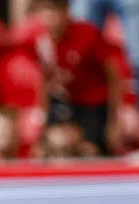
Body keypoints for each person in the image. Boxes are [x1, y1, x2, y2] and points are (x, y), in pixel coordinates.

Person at [22, 0, 122, 154]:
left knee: (89, 150)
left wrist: (114, 120)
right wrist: (43, 120)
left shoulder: (88, 34)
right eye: (47, 12)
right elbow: (43, 80)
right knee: (47, 147)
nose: (52, 18)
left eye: (57, 11)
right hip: (63, 102)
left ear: (67, 11)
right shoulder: (39, 40)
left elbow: (113, 75)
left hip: (93, 103)